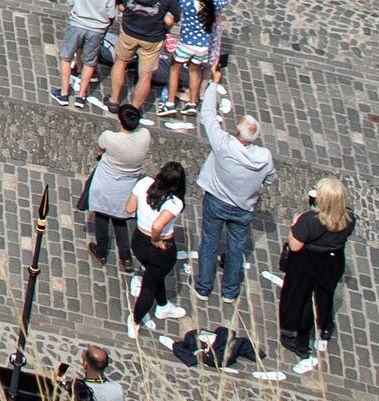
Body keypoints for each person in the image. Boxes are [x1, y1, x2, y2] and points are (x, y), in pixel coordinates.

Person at [192, 82, 273, 312]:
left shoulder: (224, 145)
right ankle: (229, 292)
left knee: (209, 242)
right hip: (243, 208)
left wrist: (212, 87)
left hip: (216, 201)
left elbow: (208, 115)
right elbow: (269, 178)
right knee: (236, 248)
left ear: (238, 132)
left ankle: (204, 287)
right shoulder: (264, 157)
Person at [275, 178, 353, 369]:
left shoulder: (309, 221)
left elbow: (295, 246)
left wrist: (295, 225)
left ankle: (298, 340)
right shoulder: (349, 218)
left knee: (299, 299)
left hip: (306, 262)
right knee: (325, 295)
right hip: (332, 262)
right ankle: (325, 328)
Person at [84, 100, 153, 266]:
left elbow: (100, 149)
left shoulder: (110, 137)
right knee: (119, 219)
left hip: (106, 181)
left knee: (101, 214)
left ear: (120, 121)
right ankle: (126, 257)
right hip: (127, 185)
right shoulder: (145, 136)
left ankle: (101, 252)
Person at [125, 158, 187, 334]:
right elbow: (158, 226)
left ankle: (163, 304)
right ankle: (135, 320)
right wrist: (156, 240)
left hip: (138, 241)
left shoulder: (144, 183)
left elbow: (129, 208)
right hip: (159, 249)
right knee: (149, 286)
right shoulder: (175, 202)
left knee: (154, 274)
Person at [56, 0, 120, 106]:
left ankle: (64, 93)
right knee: (90, 62)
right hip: (97, 29)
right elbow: (111, 12)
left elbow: (70, 1)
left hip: (77, 23)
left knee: (66, 57)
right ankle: (81, 96)